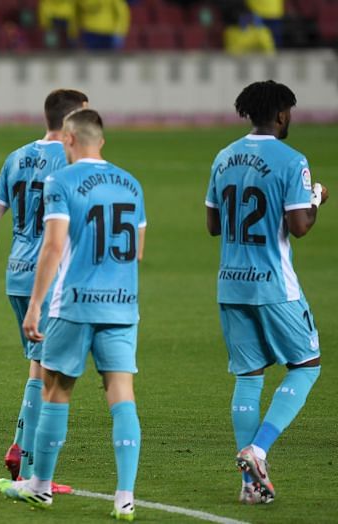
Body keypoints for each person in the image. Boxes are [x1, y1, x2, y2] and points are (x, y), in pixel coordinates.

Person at [0, 109, 146, 521]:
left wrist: (35, 304)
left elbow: (55, 245)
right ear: (102, 140)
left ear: (69, 140)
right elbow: (139, 251)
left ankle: (40, 487)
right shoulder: (132, 184)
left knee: (56, 391)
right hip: (122, 303)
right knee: (121, 395)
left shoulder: (61, 181)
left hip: (74, 303)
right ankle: (125, 498)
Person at [205, 80, 327, 504]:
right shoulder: (293, 160)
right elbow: (299, 226)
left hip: (230, 283)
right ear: (280, 115)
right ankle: (257, 451)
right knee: (307, 364)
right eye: (288, 112)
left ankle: (249, 487)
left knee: (249, 375)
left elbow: (213, 224)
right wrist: (315, 197)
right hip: (274, 285)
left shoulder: (223, 158)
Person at [0, 89, 88, 490]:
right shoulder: (74, 162)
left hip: (17, 273)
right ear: (75, 120)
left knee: (38, 365)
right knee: (52, 374)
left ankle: (21, 447)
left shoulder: (17, 157)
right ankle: (34, 470)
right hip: (49, 279)